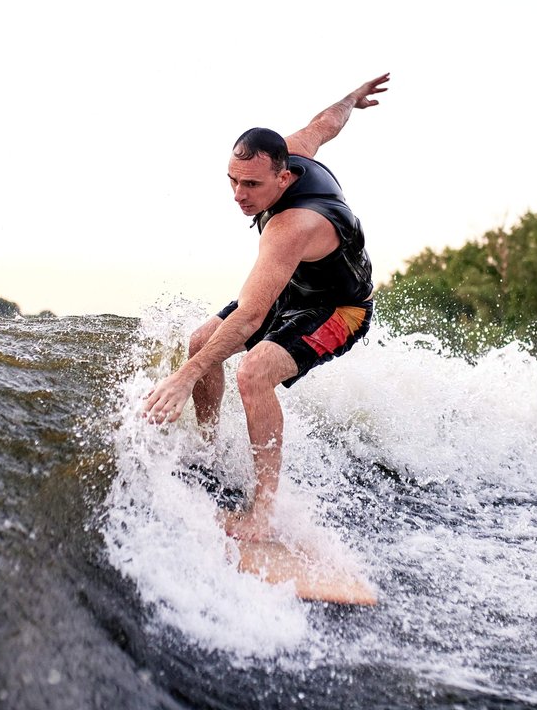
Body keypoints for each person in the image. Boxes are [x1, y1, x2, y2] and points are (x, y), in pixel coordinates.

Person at [142, 73, 389, 542]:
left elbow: (251, 317)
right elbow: (324, 124)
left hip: (341, 309)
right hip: (292, 287)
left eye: (251, 185)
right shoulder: (291, 151)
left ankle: (265, 512)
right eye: (232, 181)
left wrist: (185, 376)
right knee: (201, 341)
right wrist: (351, 100)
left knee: (253, 373)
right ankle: (209, 459)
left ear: (284, 176)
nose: (239, 195)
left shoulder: (291, 227)